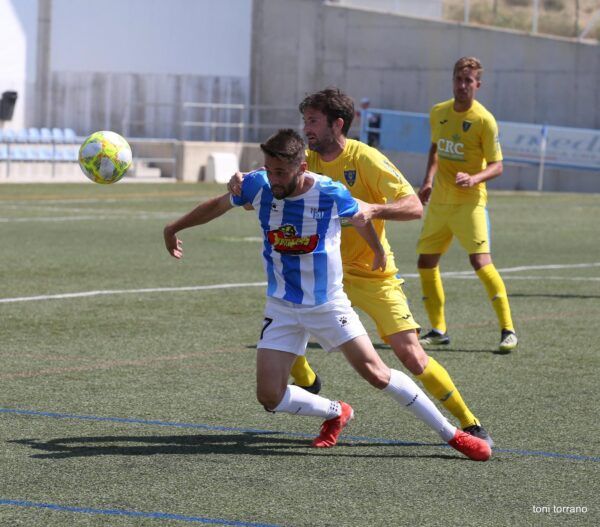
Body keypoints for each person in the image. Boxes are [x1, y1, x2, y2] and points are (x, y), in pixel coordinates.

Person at [164, 129, 491, 460]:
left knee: (377, 374)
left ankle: (452, 435)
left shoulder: (330, 192)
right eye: (269, 169)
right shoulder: (258, 184)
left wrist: (376, 249)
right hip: (282, 306)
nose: (273, 179)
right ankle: (336, 412)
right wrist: (173, 227)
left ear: (302, 168)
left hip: (328, 305)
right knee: (269, 397)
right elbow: (218, 205)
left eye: (281, 173)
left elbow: (361, 218)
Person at [229, 88, 494, 447]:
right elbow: (271, 176)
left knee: (410, 354)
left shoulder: (365, 158)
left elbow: (414, 206)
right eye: (304, 120)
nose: (306, 128)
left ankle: (468, 422)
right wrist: (241, 178)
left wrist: (374, 209)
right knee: (285, 331)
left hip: (371, 271)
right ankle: (311, 388)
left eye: (313, 121)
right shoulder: (304, 158)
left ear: (337, 124)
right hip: (322, 276)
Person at [416, 57, 517, 354]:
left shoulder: (484, 120)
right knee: (425, 263)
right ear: (453, 81)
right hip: (440, 205)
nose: (462, 86)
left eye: (468, 81)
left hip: (469, 204)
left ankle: (508, 330)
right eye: (458, 80)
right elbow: (435, 148)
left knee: (480, 262)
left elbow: (498, 166)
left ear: (477, 85)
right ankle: (438, 331)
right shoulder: (438, 112)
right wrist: (428, 181)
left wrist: (474, 178)